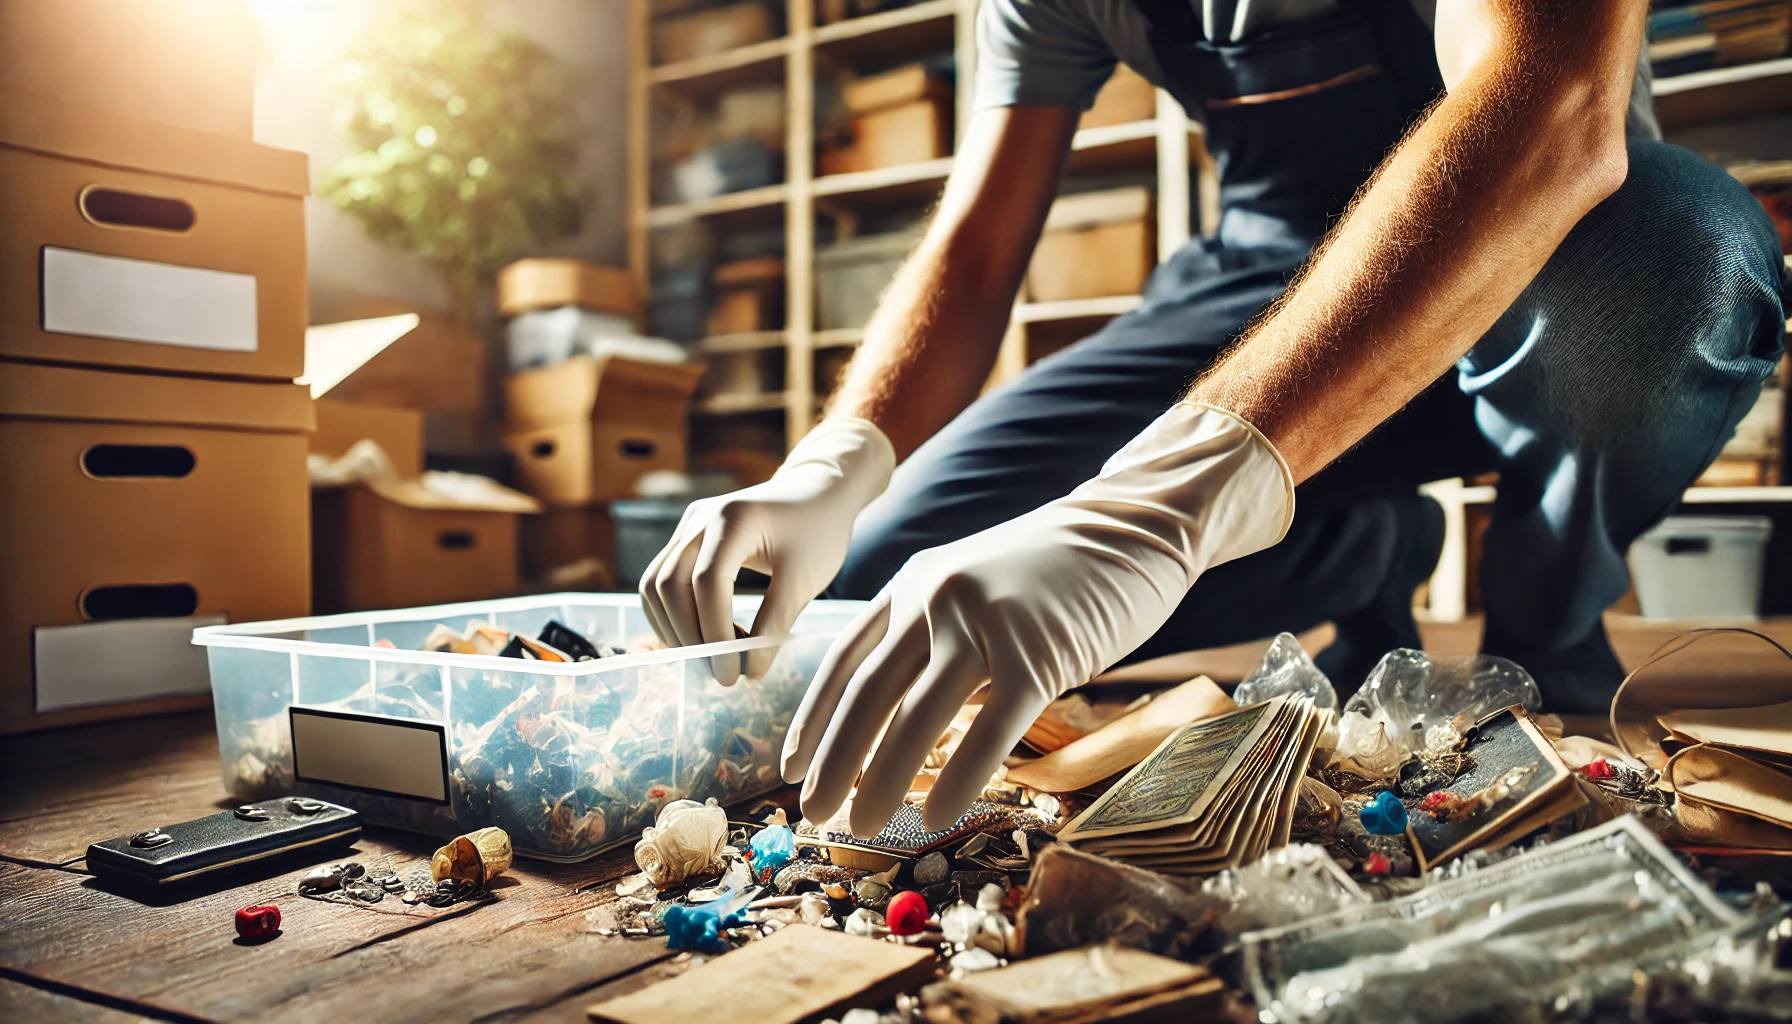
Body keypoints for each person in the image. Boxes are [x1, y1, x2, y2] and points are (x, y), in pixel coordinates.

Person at [641, 0, 1787, 838]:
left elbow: (1553, 107)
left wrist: (1160, 504)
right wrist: (839, 464)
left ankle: (1546, 625)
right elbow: (979, 243)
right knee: (895, 589)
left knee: (1680, 264)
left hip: (1551, 244)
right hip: (1257, 292)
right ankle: (1363, 541)